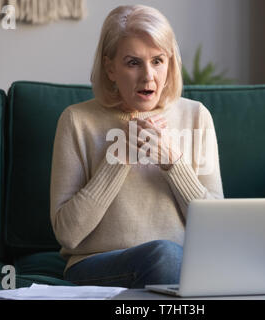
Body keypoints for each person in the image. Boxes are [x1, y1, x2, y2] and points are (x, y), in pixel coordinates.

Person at [50, 4, 224, 289]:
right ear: (110, 68)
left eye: (158, 61)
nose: (148, 76)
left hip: (183, 266)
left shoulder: (196, 116)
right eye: (133, 62)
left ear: (170, 63)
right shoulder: (76, 121)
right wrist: (116, 162)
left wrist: (173, 163)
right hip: (98, 263)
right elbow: (68, 234)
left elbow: (217, 229)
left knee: (178, 258)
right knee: (165, 256)